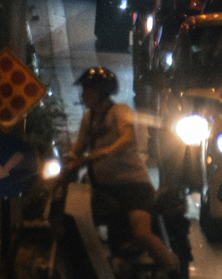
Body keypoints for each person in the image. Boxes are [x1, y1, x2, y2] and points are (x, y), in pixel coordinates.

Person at [64, 67, 179, 275]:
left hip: (133, 187)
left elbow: (127, 136)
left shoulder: (120, 111)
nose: (83, 94)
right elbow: (77, 148)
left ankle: (172, 268)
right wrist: (67, 161)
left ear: (100, 92)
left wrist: (103, 152)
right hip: (103, 190)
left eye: (88, 90)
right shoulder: (89, 119)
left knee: (142, 233)